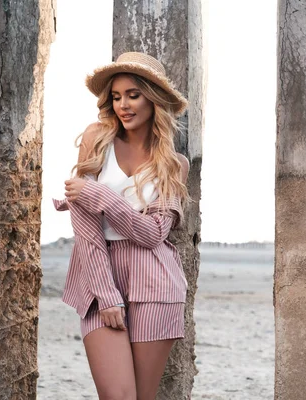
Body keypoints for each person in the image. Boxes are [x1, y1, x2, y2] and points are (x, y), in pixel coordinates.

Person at [57, 52, 190, 400]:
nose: (123, 105)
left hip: (156, 282)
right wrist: (106, 293)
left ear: (153, 98)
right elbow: (86, 228)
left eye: (133, 94)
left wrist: (101, 196)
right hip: (99, 277)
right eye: (116, 97)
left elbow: (153, 234)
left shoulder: (174, 165)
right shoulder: (96, 139)